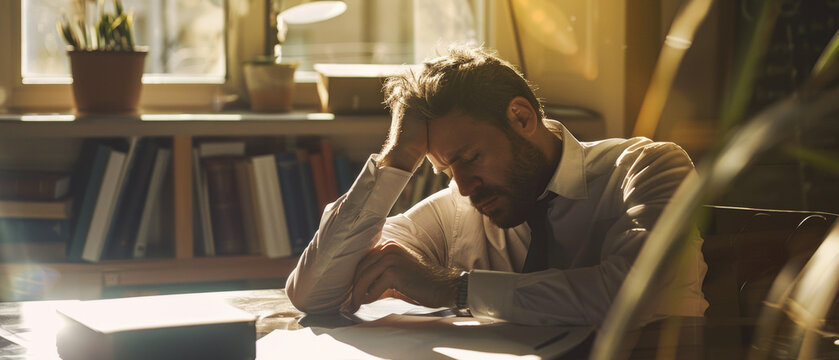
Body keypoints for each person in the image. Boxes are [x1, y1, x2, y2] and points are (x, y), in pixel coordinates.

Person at [286, 46, 708, 326]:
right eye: (447, 170)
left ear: (522, 119)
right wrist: (396, 158)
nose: (465, 187)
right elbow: (312, 293)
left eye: (470, 159)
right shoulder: (454, 212)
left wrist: (455, 288)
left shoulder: (647, 167)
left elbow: (641, 294)